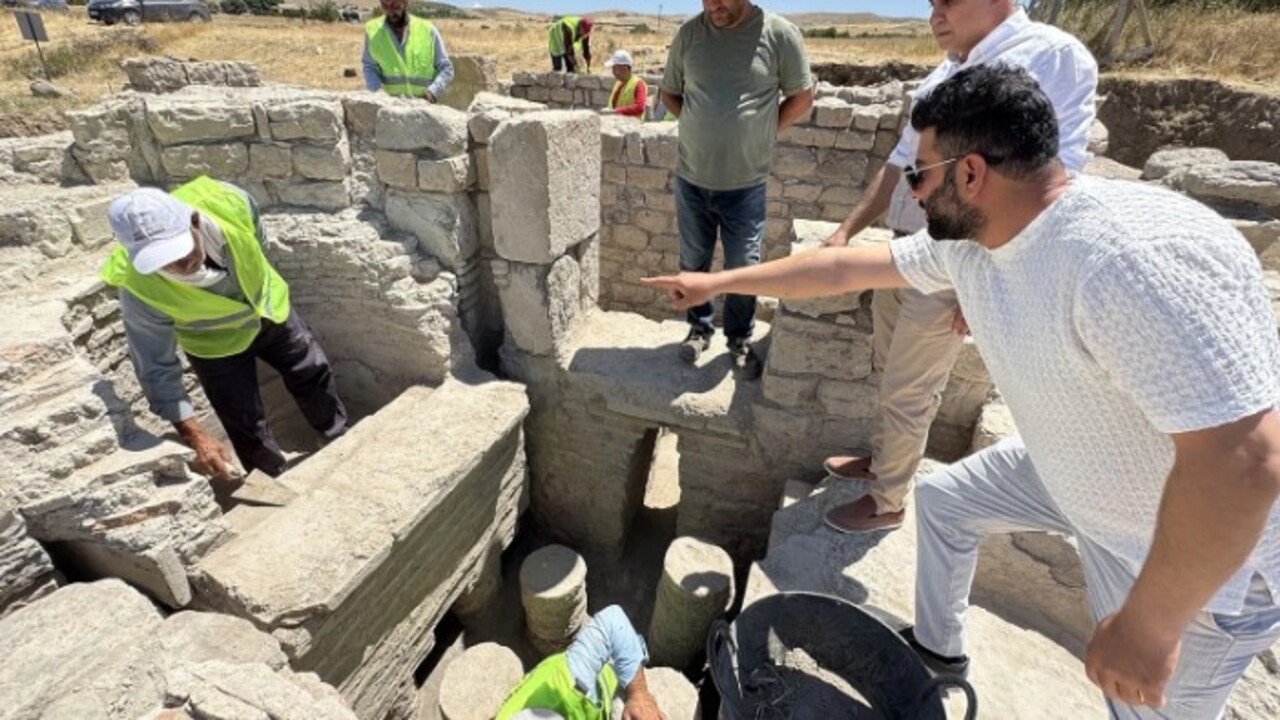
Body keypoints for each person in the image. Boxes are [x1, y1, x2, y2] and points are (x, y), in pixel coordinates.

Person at [644, 63, 1280, 719]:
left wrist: (1149, 625)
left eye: (918, 175)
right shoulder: (978, 244)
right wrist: (718, 286)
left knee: (1135, 705)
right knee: (947, 501)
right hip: (1088, 471)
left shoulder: (1121, 260)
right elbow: (839, 267)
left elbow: (1245, 463)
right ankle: (940, 657)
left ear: (971, 174)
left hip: (1187, 548)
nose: (912, 194)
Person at [819, 0, 1098, 533]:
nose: (935, 14)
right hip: (906, 245)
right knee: (888, 365)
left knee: (910, 384)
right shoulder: (945, 71)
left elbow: (1056, 179)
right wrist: (847, 231)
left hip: (958, 259)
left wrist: (991, 278)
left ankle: (888, 502)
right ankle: (885, 463)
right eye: (930, 4)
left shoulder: (1053, 56)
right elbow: (900, 165)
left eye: (948, 1)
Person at [101, 177, 348, 482]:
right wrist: (194, 435)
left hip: (267, 308)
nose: (178, 265)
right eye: (162, 260)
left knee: (312, 371)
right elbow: (155, 365)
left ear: (193, 220)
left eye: (180, 249)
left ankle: (337, 437)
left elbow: (258, 243)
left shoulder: (231, 201)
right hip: (214, 345)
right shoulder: (138, 288)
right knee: (245, 421)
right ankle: (273, 480)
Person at [658, 0, 813, 378]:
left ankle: (740, 338)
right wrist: (701, 123)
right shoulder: (690, 34)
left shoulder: (779, 35)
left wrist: (761, 131)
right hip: (692, 178)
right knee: (693, 259)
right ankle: (699, 329)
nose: (712, 5)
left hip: (745, 184)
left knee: (744, 266)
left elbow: (802, 97)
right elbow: (669, 93)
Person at [496, 605, 663, 720]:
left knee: (637, 647)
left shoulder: (569, 685)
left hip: (610, 665)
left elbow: (613, 621)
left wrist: (639, 694)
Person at [362, 0, 454, 103]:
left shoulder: (428, 30)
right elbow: (369, 67)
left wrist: (432, 92)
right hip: (389, 108)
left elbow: (446, 68)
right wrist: (378, 95)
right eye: (385, 5)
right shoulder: (372, 31)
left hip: (424, 108)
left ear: (405, 2)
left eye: (395, 5)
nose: (390, 11)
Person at [599, 50, 647, 119]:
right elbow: (613, 105)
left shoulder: (639, 84)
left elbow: (639, 108)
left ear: (625, 68)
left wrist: (615, 112)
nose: (613, 71)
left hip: (632, 127)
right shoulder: (618, 84)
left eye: (615, 68)